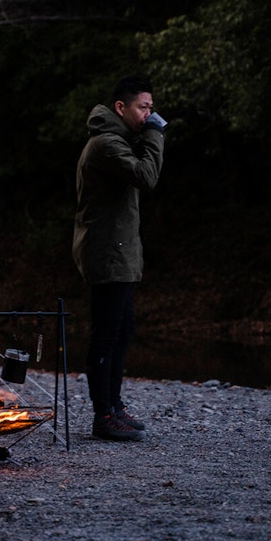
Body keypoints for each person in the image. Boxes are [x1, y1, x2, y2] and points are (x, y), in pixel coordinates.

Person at [72, 75, 165, 442]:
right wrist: (156, 135)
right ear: (121, 108)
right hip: (107, 252)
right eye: (143, 108)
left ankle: (114, 406)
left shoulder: (119, 139)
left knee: (123, 329)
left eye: (152, 109)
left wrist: (145, 134)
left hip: (119, 250)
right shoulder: (107, 144)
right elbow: (147, 176)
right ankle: (103, 416)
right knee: (106, 333)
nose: (149, 115)